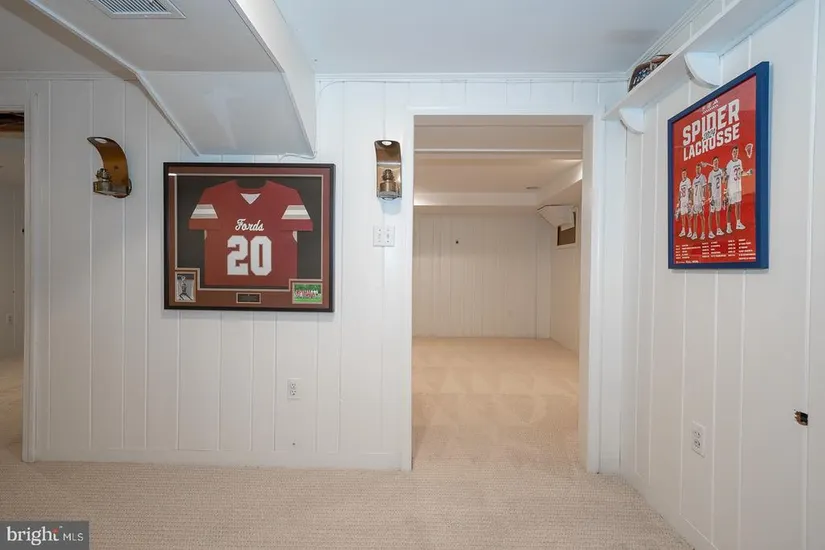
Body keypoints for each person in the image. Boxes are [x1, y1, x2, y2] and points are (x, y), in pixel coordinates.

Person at [724, 145, 753, 233]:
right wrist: (725, 191)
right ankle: (728, 226)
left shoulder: (739, 161)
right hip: (731, 189)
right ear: (731, 153)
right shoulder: (729, 164)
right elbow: (726, 178)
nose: (735, 153)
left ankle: (738, 223)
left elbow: (740, 173)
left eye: (737, 151)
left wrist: (747, 173)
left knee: (738, 205)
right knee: (729, 207)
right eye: (734, 152)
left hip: (738, 187)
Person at [691, 162, 708, 240]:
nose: (698, 170)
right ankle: (694, 233)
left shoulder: (703, 177)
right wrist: (692, 202)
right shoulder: (694, 180)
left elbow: (705, 188)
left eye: (699, 168)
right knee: (694, 217)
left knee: (701, 216)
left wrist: (703, 199)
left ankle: (703, 233)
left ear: (701, 169)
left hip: (700, 200)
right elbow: (693, 191)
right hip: (695, 201)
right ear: (695, 169)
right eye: (697, 168)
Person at [678, 168, 692, 238]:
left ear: (686, 174)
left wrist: (690, 200)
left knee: (688, 216)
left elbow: (690, 190)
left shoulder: (688, 180)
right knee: (682, 216)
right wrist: (679, 202)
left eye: (685, 173)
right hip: (682, 201)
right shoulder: (681, 183)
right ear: (681, 174)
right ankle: (683, 230)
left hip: (686, 200)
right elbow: (679, 193)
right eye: (683, 173)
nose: (684, 175)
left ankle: (690, 231)